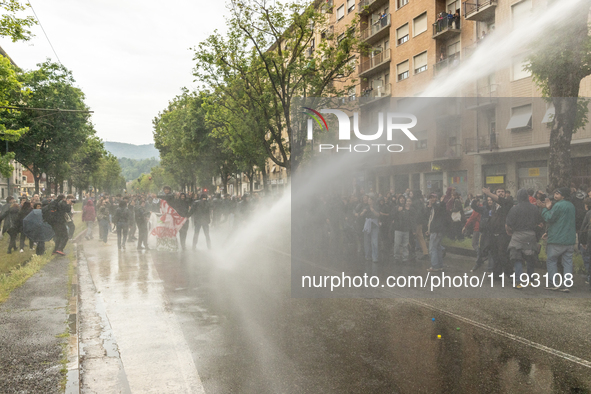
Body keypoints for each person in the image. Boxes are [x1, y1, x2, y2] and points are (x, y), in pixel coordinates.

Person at [537, 188, 577, 292]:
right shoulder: (571, 206)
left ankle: (553, 283)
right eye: (555, 193)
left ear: (563, 196)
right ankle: (567, 284)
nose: (555, 195)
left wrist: (545, 208)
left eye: (558, 193)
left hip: (557, 239)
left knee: (551, 260)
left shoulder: (558, 205)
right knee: (567, 261)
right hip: (570, 239)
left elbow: (550, 218)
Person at [505, 189, 543, 289]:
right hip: (531, 235)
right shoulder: (534, 208)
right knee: (530, 258)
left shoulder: (514, 208)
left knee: (517, 258)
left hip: (518, 235)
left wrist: (509, 231)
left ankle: (519, 282)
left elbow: (508, 224)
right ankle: (531, 280)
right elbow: (540, 222)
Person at [482, 187, 514, 278]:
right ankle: (497, 274)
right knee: (494, 254)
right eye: (499, 192)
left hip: (503, 234)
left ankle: (511, 275)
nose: (501, 193)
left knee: (502, 254)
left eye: (502, 191)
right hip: (493, 234)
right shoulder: (494, 205)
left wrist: (488, 193)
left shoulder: (508, 202)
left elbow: (501, 201)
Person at [426, 193, 447, 272]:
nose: (432, 199)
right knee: (437, 248)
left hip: (436, 230)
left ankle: (434, 266)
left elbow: (434, 219)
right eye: (430, 198)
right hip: (437, 230)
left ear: (436, 198)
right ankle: (439, 265)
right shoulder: (434, 207)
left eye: (433, 197)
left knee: (433, 248)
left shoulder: (436, 206)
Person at [392, 198, 414, 263]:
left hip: (406, 229)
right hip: (398, 229)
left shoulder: (408, 208)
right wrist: (397, 211)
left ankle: (405, 258)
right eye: (400, 199)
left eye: (403, 199)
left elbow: (413, 216)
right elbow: (392, 215)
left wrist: (409, 209)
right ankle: (396, 257)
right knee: (397, 244)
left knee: (405, 245)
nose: (402, 200)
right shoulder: (396, 208)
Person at [362, 196, 380, 264]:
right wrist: (363, 212)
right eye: (368, 200)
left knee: (374, 241)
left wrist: (373, 210)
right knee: (366, 241)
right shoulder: (366, 207)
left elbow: (378, 215)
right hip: (367, 224)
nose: (368, 201)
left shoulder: (376, 207)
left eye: (370, 200)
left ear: (373, 201)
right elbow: (361, 215)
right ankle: (367, 255)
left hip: (374, 225)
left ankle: (375, 257)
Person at [579, 197, 591, 287]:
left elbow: (584, 228)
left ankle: (589, 277)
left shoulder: (588, 214)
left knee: (587, 258)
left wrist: (582, 241)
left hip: (589, 240)